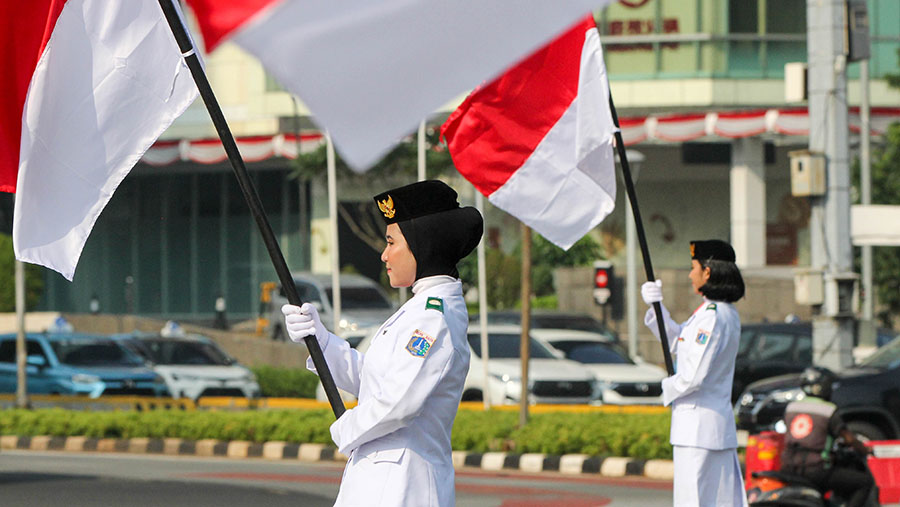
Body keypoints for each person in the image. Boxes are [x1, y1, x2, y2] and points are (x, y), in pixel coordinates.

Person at [282, 180, 483, 507]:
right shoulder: (418, 309)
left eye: (392, 242)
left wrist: (347, 428)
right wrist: (319, 341)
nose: (384, 253)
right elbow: (373, 383)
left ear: (423, 245)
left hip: (405, 488)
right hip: (380, 483)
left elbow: (398, 403)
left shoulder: (433, 318)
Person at [641, 239, 748, 506]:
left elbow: (693, 376)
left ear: (707, 272)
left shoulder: (712, 316)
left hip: (698, 431)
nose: (690, 275)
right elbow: (679, 342)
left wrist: (667, 388)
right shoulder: (721, 312)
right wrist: (657, 308)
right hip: (711, 429)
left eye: (693, 267)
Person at [780, 367, 876, 507]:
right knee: (865, 483)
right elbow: (849, 439)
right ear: (822, 387)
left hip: (789, 466)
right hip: (816, 470)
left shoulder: (791, 408)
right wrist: (865, 450)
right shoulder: (828, 410)